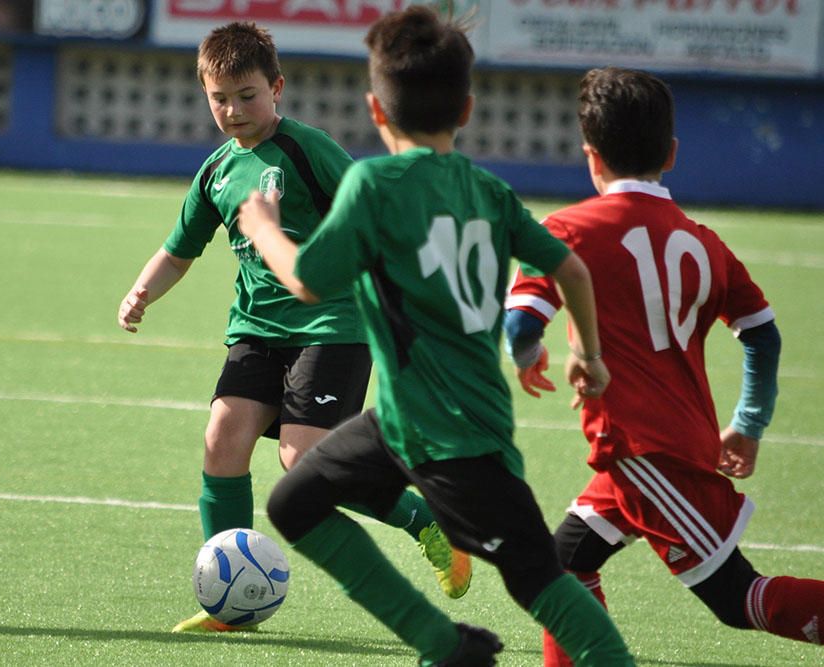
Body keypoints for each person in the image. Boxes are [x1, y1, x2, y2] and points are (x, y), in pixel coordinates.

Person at [238, 7, 635, 665]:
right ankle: (440, 640)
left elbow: (307, 279)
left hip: (457, 439)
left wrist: (262, 227)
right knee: (294, 501)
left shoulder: (375, 182)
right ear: (469, 107)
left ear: (375, 110)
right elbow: (569, 267)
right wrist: (588, 356)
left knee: (537, 578)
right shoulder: (487, 189)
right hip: (401, 421)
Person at [116, 21, 472, 633]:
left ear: (276, 88)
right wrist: (143, 288)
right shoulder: (217, 172)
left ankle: (427, 522)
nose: (232, 110)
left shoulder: (308, 150)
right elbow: (180, 249)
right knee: (221, 441)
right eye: (219, 98)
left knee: (301, 462)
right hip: (255, 328)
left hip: (332, 323)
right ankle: (229, 600)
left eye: (246, 95)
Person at [504, 66, 824, 666]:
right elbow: (764, 338)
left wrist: (532, 356)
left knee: (737, 598)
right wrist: (749, 423)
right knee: (565, 562)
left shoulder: (569, 229)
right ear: (672, 153)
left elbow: (521, 324)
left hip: (646, 451)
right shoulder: (704, 241)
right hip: (667, 443)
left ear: (590, 157)